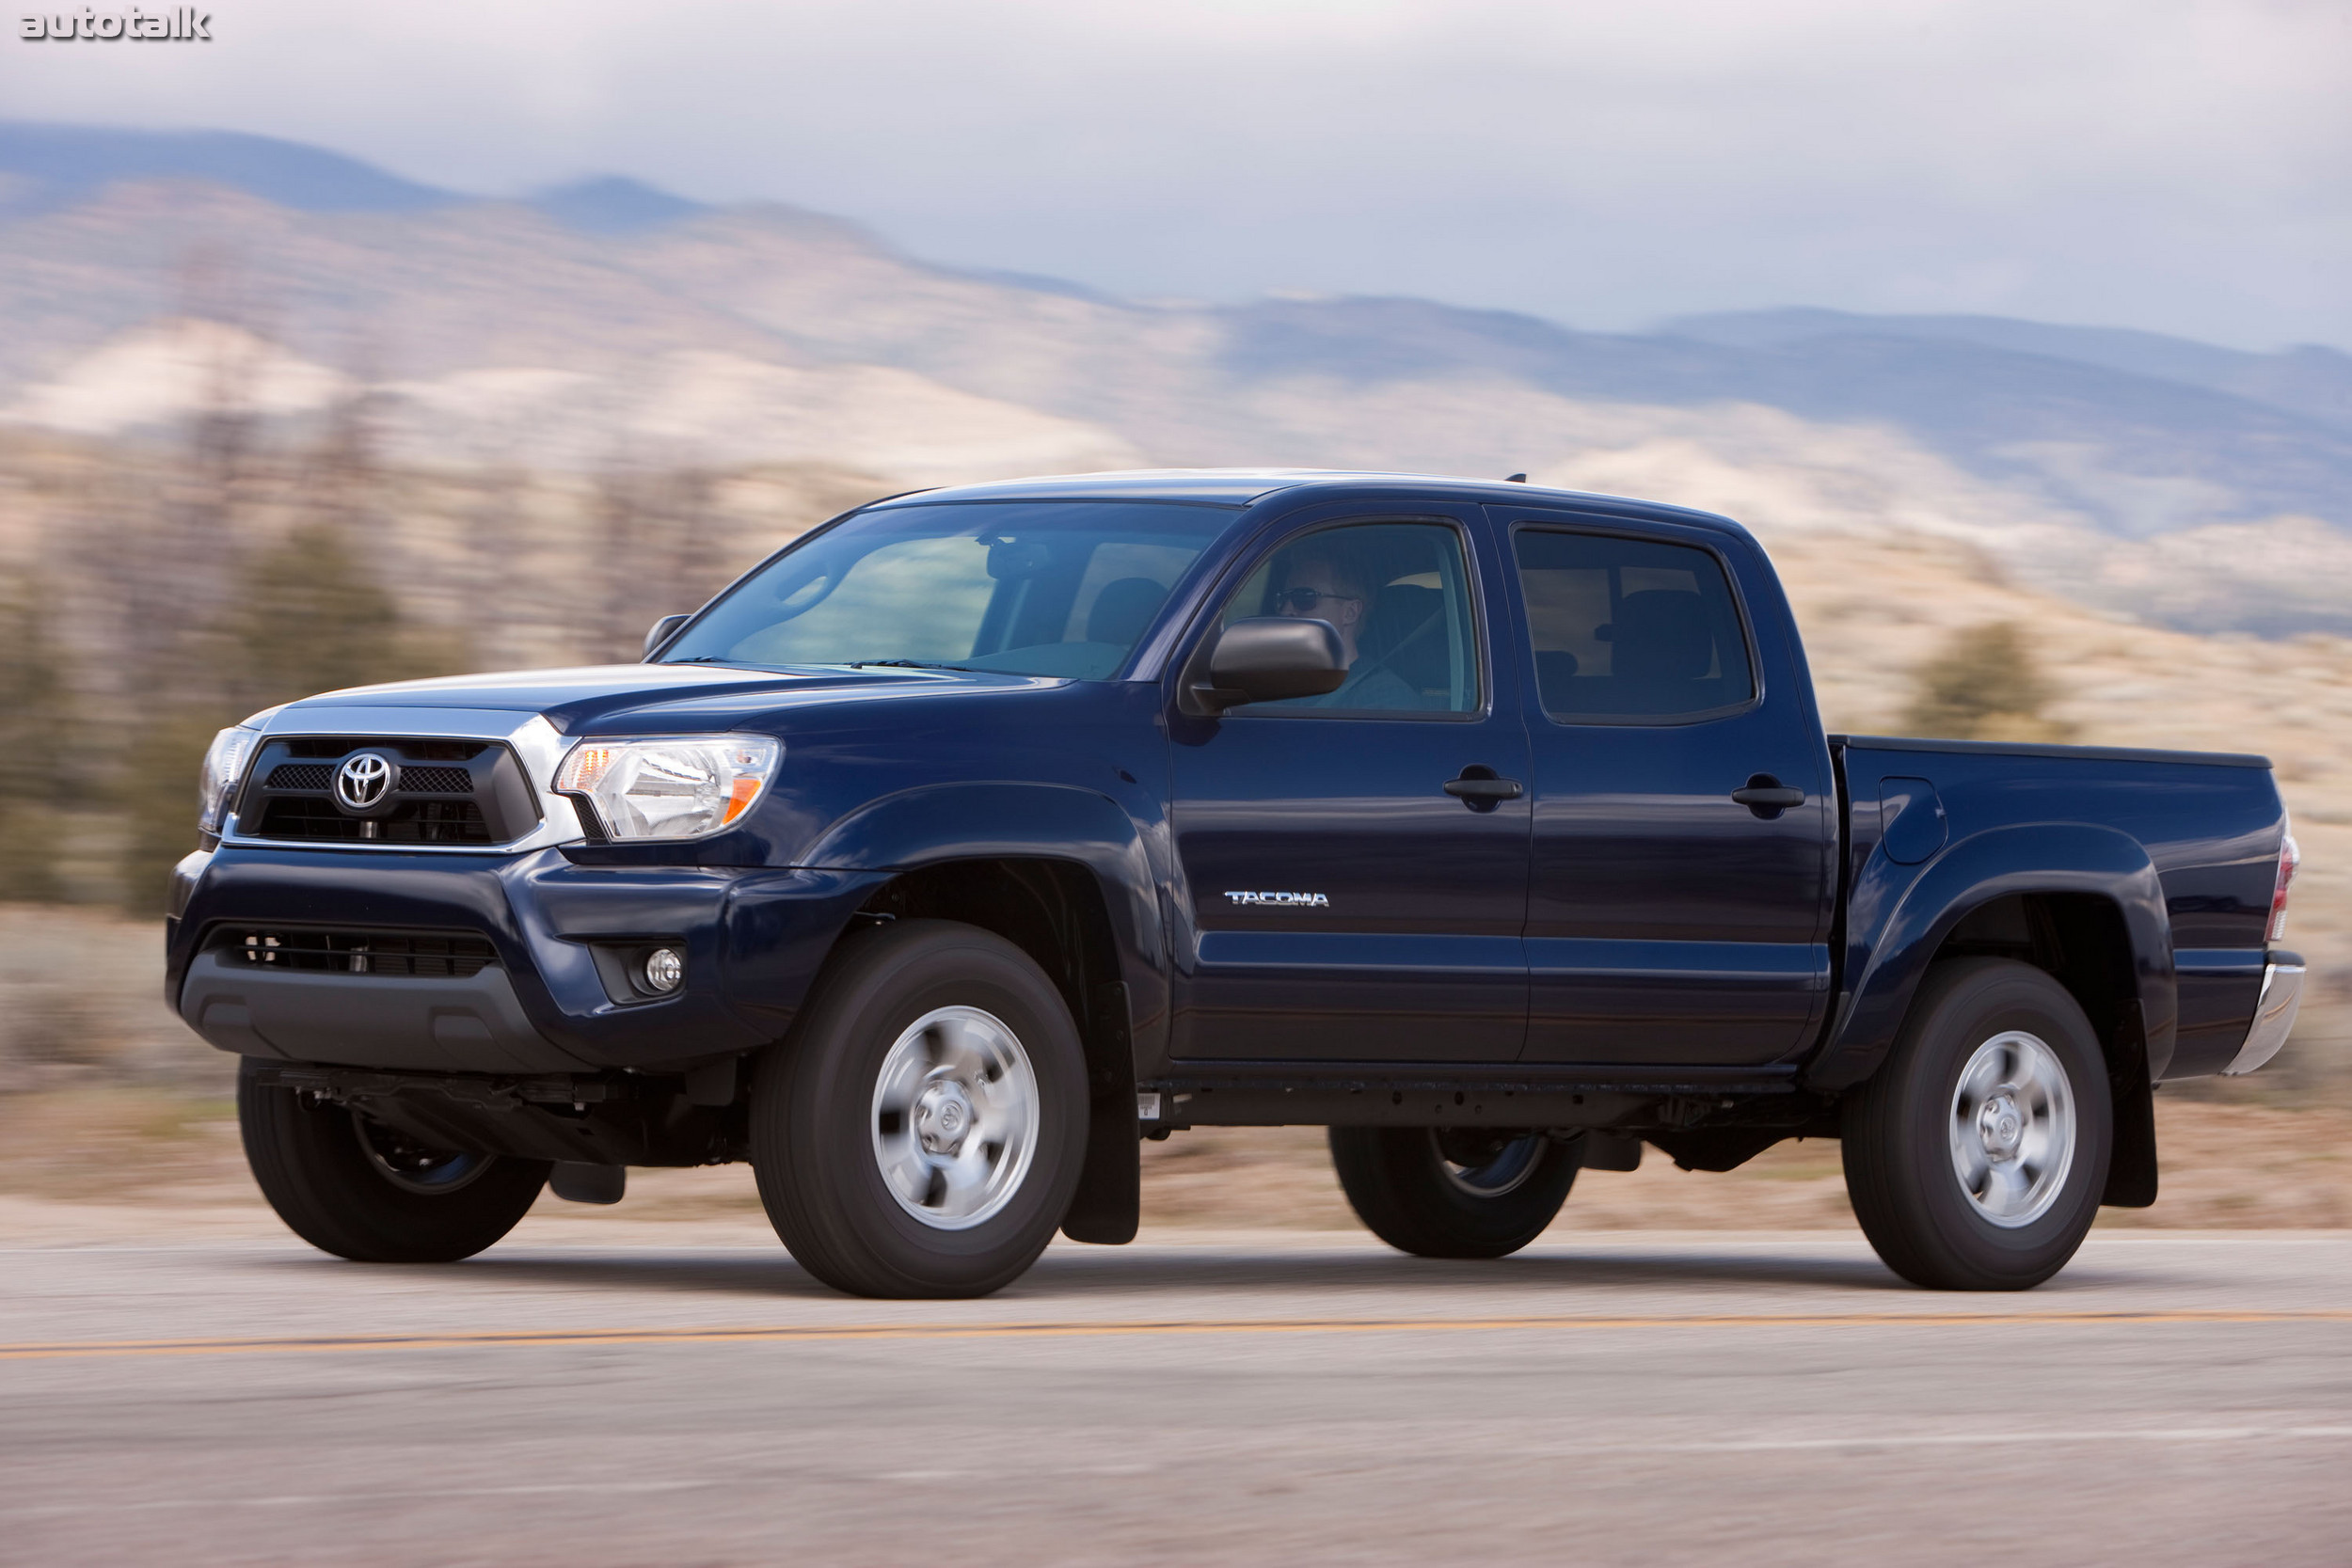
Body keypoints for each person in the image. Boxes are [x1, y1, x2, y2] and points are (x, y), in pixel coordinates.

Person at [1271, 539, 1423, 710]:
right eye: (1283, 598)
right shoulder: (1269, 685)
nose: (1285, 610)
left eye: (1304, 597)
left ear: (1350, 612)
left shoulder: (1387, 700)